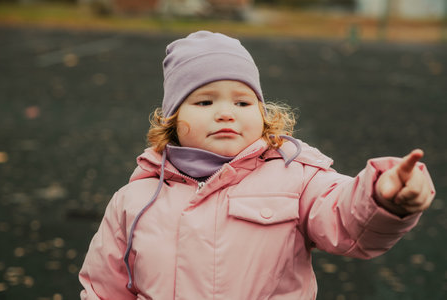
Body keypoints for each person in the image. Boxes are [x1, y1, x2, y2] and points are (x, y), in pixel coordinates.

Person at [79, 31, 435, 299]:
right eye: (204, 102)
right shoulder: (135, 199)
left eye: (243, 102)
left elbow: (342, 215)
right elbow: (103, 288)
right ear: (171, 119)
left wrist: (382, 198)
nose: (225, 113)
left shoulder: (294, 176)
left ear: (262, 114)